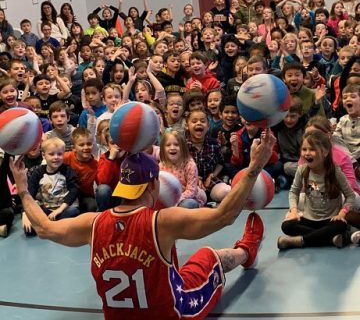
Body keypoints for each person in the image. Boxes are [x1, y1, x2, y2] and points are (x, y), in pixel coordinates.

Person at [10, 127, 276, 319]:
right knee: (208, 256)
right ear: (154, 184)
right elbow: (224, 215)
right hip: (173, 313)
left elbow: (43, 227)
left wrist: (22, 190)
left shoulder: (92, 222)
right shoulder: (162, 222)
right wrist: (254, 167)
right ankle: (246, 250)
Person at [278, 130, 356, 250]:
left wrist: (342, 213)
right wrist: (294, 211)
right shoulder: (302, 170)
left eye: (312, 149)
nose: (307, 153)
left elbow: (350, 196)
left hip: (330, 220)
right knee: (286, 226)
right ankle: (330, 239)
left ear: (324, 152)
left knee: (341, 225)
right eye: (304, 149)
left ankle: (299, 241)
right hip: (310, 219)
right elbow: (294, 192)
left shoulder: (335, 171)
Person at [22, 137, 80, 236]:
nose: (56, 157)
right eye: (51, 154)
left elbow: (74, 190)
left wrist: (60, 210)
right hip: (47, 209)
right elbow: (29, 193)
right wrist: (26, 214)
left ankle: (50, 225)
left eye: (59, 154)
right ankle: (55, 226)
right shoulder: (38, 172)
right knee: (29, 229)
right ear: (44, 155)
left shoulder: (67, 170)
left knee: (73, 211)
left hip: (64, 209)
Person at [159, 130, 206, 209]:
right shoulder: (161, 166)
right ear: (163, 149)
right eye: (168, 145)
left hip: (186, 198)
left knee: (189, 204)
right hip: (168, 200)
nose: (172, 148)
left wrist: (176, 201)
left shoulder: (190, 165)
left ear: (183, 147)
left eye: (176, 145)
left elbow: (192, 190)